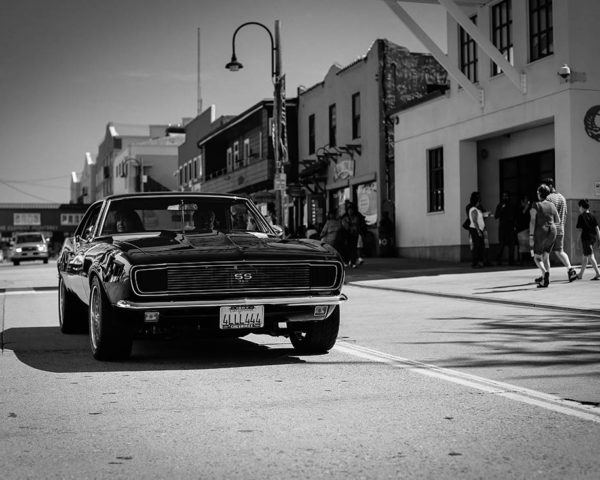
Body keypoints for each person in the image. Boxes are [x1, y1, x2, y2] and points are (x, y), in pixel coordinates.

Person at [543, 177, 578, 282]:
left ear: (549, 186)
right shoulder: (562, 197)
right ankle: (570, 270)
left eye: (544, 187)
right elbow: (565, 213)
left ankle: (545, 275)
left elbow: (547, 215)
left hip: (551, 230)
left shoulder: (548, 198)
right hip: (560, 229)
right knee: (560, 251)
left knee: (545, 253)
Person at [529, 184, 560, 288]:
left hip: (541, 232)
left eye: (537, 192)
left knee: (537, 257)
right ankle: (545, 280)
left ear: (539, 193)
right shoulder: (552, 205)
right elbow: (558, 220)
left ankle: (544, 273)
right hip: (552, 231)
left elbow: (532, 221)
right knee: (546, 256)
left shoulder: (536, 205)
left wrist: (531, 236)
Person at [575, 199, 600, 280]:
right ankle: (580, 274)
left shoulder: (581, 216)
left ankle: (598, 273)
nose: (579, 209)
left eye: (579, 207)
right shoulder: (592, 216)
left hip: (586, 239)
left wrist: (577, 240)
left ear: (582, 207)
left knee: (590, 256)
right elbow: (597, 229)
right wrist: (599, 239)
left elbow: (580, 230)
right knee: (585, 256)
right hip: (593, 238)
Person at [341, 203, 366, 268]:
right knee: (347, 248)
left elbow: (360, 224)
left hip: (354, 234)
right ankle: (347, 261)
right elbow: (343, 225)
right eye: (349, 210)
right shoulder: (345, 217)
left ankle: (352, 262)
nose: (350, 211)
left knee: (353, 248)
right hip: (347, 234)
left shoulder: (357, 216)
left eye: (351, 210)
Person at [494, 192, 516, 265]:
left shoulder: (512, 205)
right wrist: (501, 209)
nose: (505, 197)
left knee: (511, 245)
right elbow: (496, 216)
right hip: (503, 227)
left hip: (510, 227)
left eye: (506, 196)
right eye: (504, 196)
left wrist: (515, 226)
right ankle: (498, 260)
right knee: (501, 244)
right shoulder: (500, 205)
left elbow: (515, 216)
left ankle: (511, 261)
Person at [467, 192, 486, 268]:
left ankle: (478, 262)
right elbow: (474, 221)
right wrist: (478, 231)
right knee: (477, 246)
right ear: (476, 201)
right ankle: (475, 263)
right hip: (475, 229)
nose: (479, 202)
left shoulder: (476, 209)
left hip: (477, 229)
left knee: (479, 246)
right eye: (479, 201)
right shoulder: (474, 209)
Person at [514, 195, 532, 265]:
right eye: (526, 201)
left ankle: (528, 260)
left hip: (528, 229)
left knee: (528, 246)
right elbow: (520, 218)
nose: (527, 203)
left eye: (528, 201)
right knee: (522, 247)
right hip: (521, 230)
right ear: (522, 202)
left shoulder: (530, 209)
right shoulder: (519, 209)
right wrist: (525, 208)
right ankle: (522, 260)